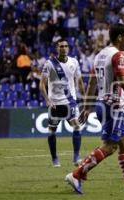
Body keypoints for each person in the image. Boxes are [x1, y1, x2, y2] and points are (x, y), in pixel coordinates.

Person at [65, 23, 124, 194]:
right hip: (114, 105)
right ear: (119, 37)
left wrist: (87, 107)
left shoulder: (100, 55)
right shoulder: (117, 55)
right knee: (110, 147)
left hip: (101, 103)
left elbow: (92, 83)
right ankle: (77, 174)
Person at [39, 38, 86, 167]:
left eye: (66, 46)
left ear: (68, 48)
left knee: (76, 126)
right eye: (61, 46)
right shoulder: (49, 64)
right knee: (52, 131)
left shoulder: (74, 62)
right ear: (57, 48)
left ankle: (76, 157)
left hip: (70, 102)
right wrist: (47, 100)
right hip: (55, 103)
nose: (64, 48)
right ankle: (54, 158)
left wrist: (85, 100)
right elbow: (42, 84)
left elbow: (80, 82)